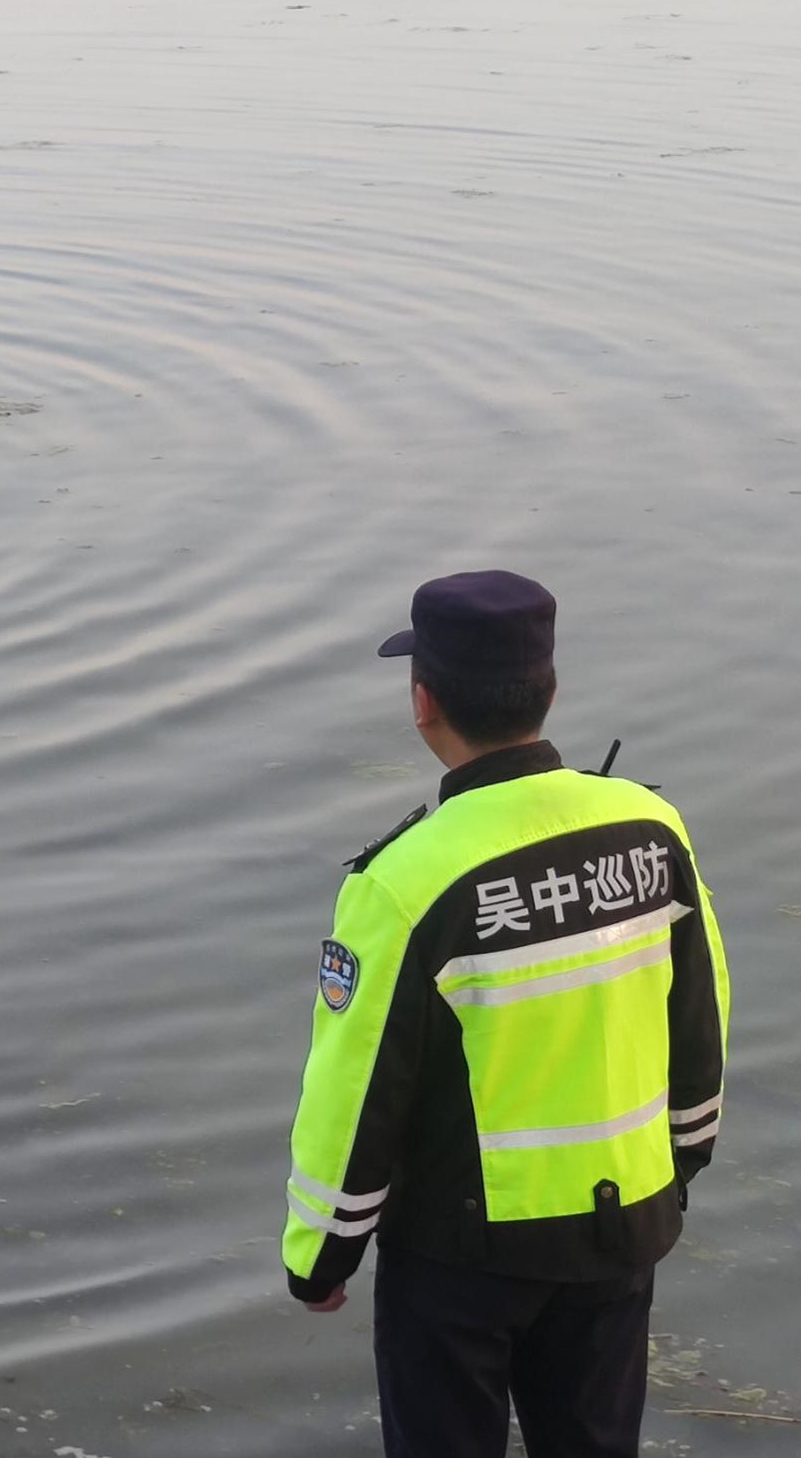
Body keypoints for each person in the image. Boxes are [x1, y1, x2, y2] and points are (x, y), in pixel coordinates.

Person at [281, 570, 730, 1458]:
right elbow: (701, 1012)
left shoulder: (406, 881)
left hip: (462, 1256)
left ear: (424, 703)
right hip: (623, 1222)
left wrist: (322, 1255)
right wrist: (679, 1165)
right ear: (548, 689)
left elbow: (358, 1089)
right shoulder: (651, 828)